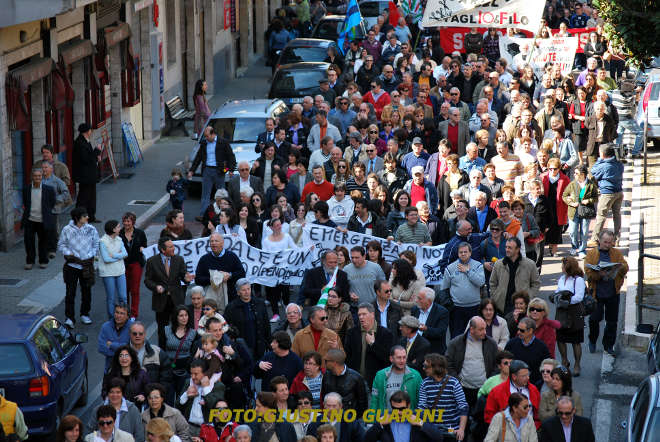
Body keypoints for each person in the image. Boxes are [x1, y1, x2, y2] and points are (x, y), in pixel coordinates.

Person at [585, 229, 629, 356]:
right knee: (594, 319)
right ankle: (592, 340)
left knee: (612, 322)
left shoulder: (616, 253)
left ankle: (609, 345)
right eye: (605, 242)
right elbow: (588, 272)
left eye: (610, 242)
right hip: (596, 294)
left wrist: (620, 267)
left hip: (612, 292)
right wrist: (599, 274)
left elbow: (625, 267)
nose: (608, 245)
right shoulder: (592, 254)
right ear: (599, 240)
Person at [144, 237, 194, 348]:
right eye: (170, 247)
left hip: (177, 300)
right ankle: (163, 354)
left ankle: (178, 351)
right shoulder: (152, 261)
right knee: (162, 330)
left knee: (180, 327)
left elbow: (183, 275)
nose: (173, 248)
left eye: (173, 246)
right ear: (163, 250)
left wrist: (187, 278)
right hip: (161, 301)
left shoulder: (179, 260)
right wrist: (156, 287)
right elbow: (147, 280)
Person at [58, 207, 99, 327]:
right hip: (72, 266)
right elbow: (61, 245)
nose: (87, 217)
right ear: (77, 218)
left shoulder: (91, 229)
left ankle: (85, 314)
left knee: (87, 291)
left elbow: (96, 244)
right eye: (84, 216)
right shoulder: (67, 229)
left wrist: (90, 255)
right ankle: (69, 318)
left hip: (86, 265)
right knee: (70, 292)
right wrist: (69, 254)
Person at [446, 316, 498, 409]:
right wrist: (457, 381)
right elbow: (447, 363)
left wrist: (489, 382)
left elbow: (497, 365)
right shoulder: (456, 343)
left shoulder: (491, 343)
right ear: (472, 329)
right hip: (462, 389)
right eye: (481, 329)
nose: (485, 332)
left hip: (484, 390)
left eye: (485, 329)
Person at [189, 126, 236, 220]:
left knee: (222, 194)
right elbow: (198, 157)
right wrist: (192, 170)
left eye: (207, 136)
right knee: (205, 194)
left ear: (213, 134)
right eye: (205, 136)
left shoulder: (223, 142)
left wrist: (230, 169)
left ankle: (225, 214)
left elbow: (230, 156)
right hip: (207, 170)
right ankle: (203, 215)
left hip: (219, 171)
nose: (206, 138)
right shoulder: (204, 143)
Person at [418, 353, 468, 439]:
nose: (423, 368)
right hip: (433, 429)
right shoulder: (425, 383)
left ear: (435, 368)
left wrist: (461, 429)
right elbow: (422, 407)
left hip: (451, 429)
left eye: (426, 366)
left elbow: (463, 407)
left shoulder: (453, 383)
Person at [441, 242, 485, 338]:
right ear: (458, 254)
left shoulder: (478, 266)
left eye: (465, 252)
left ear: (470, 253)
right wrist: (450, 305)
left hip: (474, 307)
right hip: (457, 309)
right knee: (457, 336)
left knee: (474, 335)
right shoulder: (450, 268)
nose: (463, 254)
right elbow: (444, 288)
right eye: (461, 252)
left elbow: (481, 282)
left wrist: (468, 271)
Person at [344, 302, 394, 386]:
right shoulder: (351, 333)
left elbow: (388, 358)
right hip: (355, 381)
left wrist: (373, 344)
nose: (361, 317)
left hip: (376, 381)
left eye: (364, 314)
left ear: (372, 314)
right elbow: (347, 356)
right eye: (359, 315)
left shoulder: (385, 334)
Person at [490, 237, 541, 315]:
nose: (507, 249)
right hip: (502, 306)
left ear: (517, 249)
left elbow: (536, 283)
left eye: (510, 248)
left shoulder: (530, 264)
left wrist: (529, 297)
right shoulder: (498, 264)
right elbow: (492, 283)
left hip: (522, 306)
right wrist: (496, 297)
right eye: (506, 247)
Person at [484, 359, 541, 429]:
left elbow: (538, 414)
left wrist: (535, 427)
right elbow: (489, 416)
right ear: (514, 377)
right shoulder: (497, 392)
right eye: (524, 376)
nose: (528, 378)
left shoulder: (533, 390)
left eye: (528, 374)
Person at [194, 233, 245, 309]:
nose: (213, 243)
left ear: (222, 243)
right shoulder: (204, 259)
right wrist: (212, 279)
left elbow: (242, 273)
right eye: (211, 241)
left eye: (216, 241)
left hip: (231, 297)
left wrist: (230, 275)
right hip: (211, 300)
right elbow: (198, 279)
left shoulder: (231, 256)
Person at [554, 257, 586, 375]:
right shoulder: (562, 278)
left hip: (574, 312)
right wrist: (557, 298)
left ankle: (577, 364)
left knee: (575, 341)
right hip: (562, 312)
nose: (561, 268)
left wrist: (567, 301)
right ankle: (564, 360)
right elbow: (558, 291)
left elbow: (579, 297)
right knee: (560, 338)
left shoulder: (578, 280)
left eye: (563, 266)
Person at [224, 279, 270, 360]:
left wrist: (269, 343)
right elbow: (226, 327)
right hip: (242, 347)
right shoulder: (231, 308)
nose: (247, 292)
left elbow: (266, 325)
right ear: (238, 292)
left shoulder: (260, 303)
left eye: (248, 289)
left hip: (259, 346)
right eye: (243, 290)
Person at [178, 359, 226, 435]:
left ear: (205, 374)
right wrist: (186, 394)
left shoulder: (218, 386)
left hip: (207, 429)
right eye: (191, 373)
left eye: (196, 374)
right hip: (188, 427)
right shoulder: (188, 382)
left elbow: (216, 408)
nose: (193, 377)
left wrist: (206, 388)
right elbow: (178, 405)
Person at [589, 144, 624, 246]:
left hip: (607, 193)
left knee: (601, 215)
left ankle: (595, 239)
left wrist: (600, 160)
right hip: (619, 192)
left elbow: (593, 171)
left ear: (603, 154)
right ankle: (616, 239)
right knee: (617, 215)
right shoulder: (619, 163)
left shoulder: (604, 165)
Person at [370, 345, 423, 411]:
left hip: (408, 418)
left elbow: (421, 400)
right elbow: (375, 399)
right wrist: (371, 419)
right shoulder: (380, 375)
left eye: (404, 357)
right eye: (399, 358)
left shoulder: (415, 375)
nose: (402, 360)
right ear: (391, 359)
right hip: (386, 418)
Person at [22, 168, 56, 270]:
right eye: (35, 176)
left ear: (42, 177)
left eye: (39, 176)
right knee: (29, 242)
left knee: (43, 242)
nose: (37, 178)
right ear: (32, 177)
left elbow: (51, 203)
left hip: (43, 220)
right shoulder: (26, 189)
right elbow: (26, 203)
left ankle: (43, 261)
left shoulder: (48, 189)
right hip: (30, 220)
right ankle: (30, 261)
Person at [92, 377, 144, 442]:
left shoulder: (133, 410)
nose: (115, 395)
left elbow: (139, 435)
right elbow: (91, 431)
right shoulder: (97, 410)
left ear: (123, 393)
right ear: (107, 393)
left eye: (118, 392)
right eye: (111, 392)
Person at [562, 165, 598, 259]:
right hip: (573, 211)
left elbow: (595, 197)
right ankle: (574, 246)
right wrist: (570, 202)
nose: (574, 175)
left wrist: (588, 201)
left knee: (584, 232)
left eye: (576, 173)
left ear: (583, 175)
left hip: (585, 211)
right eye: (574, 173)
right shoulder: (572, 184)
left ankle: (582, 250)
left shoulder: (590, 185)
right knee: (572, 231)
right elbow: (564, 195)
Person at [505, 317, 552, 387]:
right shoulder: (511, 343)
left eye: (522, 330)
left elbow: (547, 367)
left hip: (533, 384)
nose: (518, 332)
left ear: (530, 331)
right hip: (513, 383)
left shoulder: (542, 347)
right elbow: (504, 362)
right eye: (518, 329)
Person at [321, 349, 369, 415]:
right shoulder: (326, 375)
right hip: (330, 417)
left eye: (326, 361)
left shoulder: (356, 378)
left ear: (335, 363)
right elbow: (324, 397)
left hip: (349, 418)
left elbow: (363, 403)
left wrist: (353, 419)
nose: (324, 363)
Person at [98, 220, 129, 319]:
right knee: (111, 298)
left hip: (120, 271)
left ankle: (124, 316)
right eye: (118, 227)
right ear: (113, 229)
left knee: (123, 297)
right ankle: (112, 318)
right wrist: (119, 256)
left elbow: (125, 254)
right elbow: (106, 259)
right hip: (108, 273)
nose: (120, 228)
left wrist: (114, 255)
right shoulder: (103, 241)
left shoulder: (119, 239)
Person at [120, 212, 148, 320]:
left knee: (135, 289)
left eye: (128, 221)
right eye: (125, 221)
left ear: (133, 222)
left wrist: (142, 248)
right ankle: (125, 311)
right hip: (123, 264)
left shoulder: (140, 233)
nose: (126, 223)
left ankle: (134, 313)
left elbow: (145, 245)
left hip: (136, 263)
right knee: (124, 289)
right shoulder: (119, 233)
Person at [72, 123, 101, 223]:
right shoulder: (80, 143)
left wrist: (96, 156)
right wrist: (97, 151)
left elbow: (89, 156)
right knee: (83, 198)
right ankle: (79, 217)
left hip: (90, 175)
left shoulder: (85, 141)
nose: (91, 132)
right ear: (86, 131)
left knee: (91, 197)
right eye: (90, 130)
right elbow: (86, 159)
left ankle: (91, 216)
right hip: (85, 176)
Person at [540, 158, 570, 257]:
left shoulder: (565, 179)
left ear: (559, 168)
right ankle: (543, 249)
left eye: (555, 169)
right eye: (550, 168)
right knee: (545, 228)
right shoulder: (542, 177)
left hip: (559, 207)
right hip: (545, 206)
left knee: (557, 229)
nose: (553, 171)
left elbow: (569, 193)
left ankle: (554, 250)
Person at [129, 322, 171, 390]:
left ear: (145, 334)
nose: (137, 336)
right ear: (130, 334)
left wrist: (159, 392)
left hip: (152, 397)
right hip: (129, 396)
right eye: (134, 334)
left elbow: (166, 375)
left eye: (140, 334)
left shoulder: (157, 352)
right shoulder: (121, 352)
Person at [411, 287, 449, 355]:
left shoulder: (442, 312)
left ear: (428, 301)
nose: (416, 300)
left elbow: (440, 332)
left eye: (419, 299)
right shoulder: (415, 309)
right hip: (415, 348)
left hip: (433, 351)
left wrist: (426, 329)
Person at [98, 303, 134, 371]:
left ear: (127, 316)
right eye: (117, 312)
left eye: (122, 313)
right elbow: (101, 348)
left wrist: (112, 345)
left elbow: (133, 349)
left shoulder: (133, 328)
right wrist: (124, 349)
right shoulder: (105, 327)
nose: (118, 316)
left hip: (129, 369)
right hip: (110, 369)